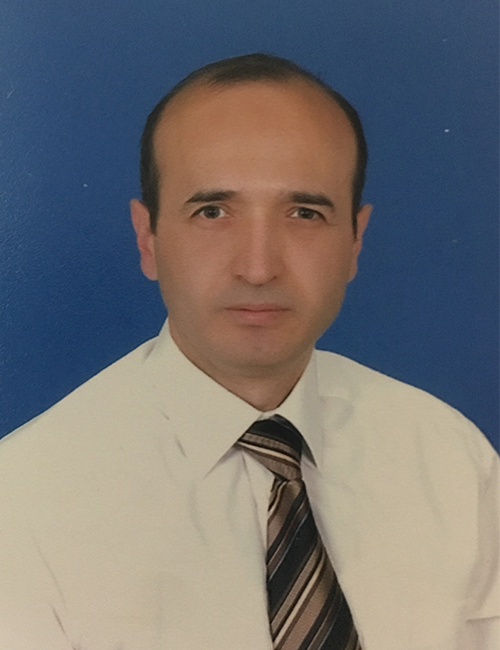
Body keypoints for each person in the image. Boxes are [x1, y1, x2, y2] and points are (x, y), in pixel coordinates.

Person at [0, 53, 497, 650]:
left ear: (355, 241)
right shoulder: (23, 502)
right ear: (148, 238)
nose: (259, 268)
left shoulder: (450, 457)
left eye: (304, 213)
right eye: (212, 211)